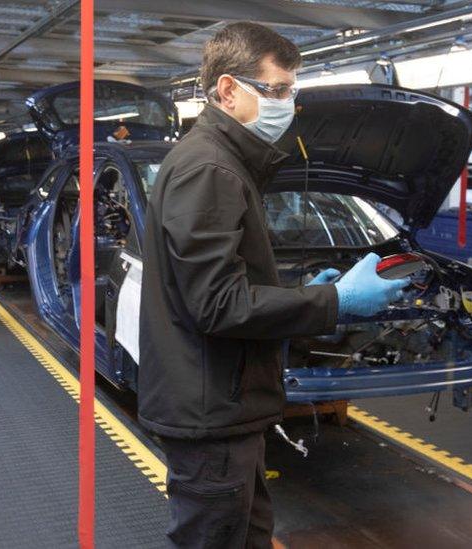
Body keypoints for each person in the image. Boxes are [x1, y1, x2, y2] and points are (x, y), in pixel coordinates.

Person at [138, 22, 408, 548]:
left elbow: (223, 277)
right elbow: (216, 304)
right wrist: (335, 301)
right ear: (228, 90)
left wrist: (301, 289)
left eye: (292, 91)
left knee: (246, 535)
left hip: (224, 402)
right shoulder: (210, 169)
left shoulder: (221, 161)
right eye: (278, 90)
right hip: (211, 407)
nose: (289, 104)